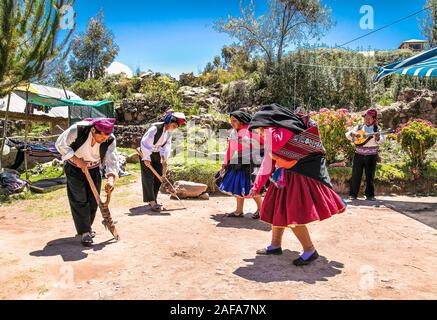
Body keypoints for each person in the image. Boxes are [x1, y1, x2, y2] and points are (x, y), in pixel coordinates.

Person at [249, 104, 346, 266]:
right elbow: (275, 158)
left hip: (294, 179)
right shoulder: (290, 127)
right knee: (278, 211)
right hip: (287, 177)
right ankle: (275, 245)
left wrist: (257, 186)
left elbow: (270, 158)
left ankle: (310, 250)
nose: (259, 131)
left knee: (292, 215)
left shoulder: (276, 132)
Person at [55, 118, 119, 247]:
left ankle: (87, 227)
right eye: (101, 135)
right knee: (79, 199)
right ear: (94, 129)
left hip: (94, 168)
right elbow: (60, 144)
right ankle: (85, 232)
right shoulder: (78, 129)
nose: (104, 138)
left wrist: (111, 178)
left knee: (93, 201)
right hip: (74, 167)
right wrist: (75, 159)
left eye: (107, 135)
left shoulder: (110, 138)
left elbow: (112, 158)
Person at [219, 111, 264, 219]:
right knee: (238, 186)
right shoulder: (234, 132)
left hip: (251, 163)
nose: (232, 123)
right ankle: (239, 211)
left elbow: (262, 143)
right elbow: (231, 149)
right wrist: (225, 162)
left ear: (241, 120)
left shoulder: (252, 129)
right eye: (231, 121)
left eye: (234, 120)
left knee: (252, 186)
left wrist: (241, 141)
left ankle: (261, 210)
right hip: (238, 161)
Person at [140, 111, 186, 212]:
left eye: (176, 127)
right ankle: (151, 201)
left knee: (159, 176)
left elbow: (167, 146)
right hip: (146, 153)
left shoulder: (169, 133)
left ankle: (154, 198)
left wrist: (164, 159)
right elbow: (145, 143)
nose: (174, 128)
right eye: (173, 125)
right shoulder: (155, 128)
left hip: (157, 154)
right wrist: (147, 158)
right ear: (169, 121)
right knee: (148, 177)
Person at [346, 108, 386, 201]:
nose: (367, 120)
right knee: (356, 174)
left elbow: (382, 140)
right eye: (366, 118)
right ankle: (353, 194)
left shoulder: (376, 129)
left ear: (374, 119)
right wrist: (353, 134)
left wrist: (378, 137)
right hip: (358, 154)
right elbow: (349, 134)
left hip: (371, 155)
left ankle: (370, 195)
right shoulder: (359, 127)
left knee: (370, 176)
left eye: (369, 118)